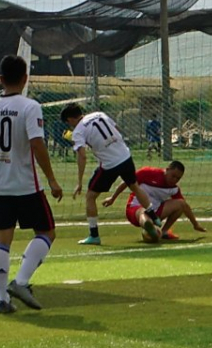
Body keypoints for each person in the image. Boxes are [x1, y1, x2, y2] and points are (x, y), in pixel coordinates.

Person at [0, 55, 63, 315]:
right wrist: (52, 179)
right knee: (46, 232)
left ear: (0, 80)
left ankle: (2, 299)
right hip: (25, 185)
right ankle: (21, 282)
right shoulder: (30, 106)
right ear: (25, 79)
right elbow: (37, 145)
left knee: (1, 240)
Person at [60, 104, 157, 245]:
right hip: (125, 156)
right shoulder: (99, 114)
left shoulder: (78, 132)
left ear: (70, 119)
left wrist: (79, 182)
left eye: (68, 123)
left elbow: (82, 156)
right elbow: (116, 129)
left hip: (110, 165)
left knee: (90, 196)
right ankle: (154, 216)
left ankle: (94, 235)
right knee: (134, 186)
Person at [102, 161, 207, 242]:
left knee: (180, 204)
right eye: (173, 176)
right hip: (135, 209)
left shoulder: (174, 189)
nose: (174, 180)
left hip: (155, 214)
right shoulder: (147, 172)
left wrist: (195, 224)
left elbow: (185, 207)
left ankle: (162, 232)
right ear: (167, 169)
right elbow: (126, 181)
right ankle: (148, 225)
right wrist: (112, 198)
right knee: (143, 212)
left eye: (178, 178)